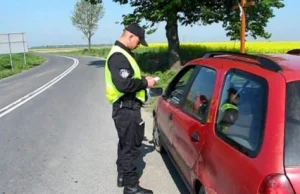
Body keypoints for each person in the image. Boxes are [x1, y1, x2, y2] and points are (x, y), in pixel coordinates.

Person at [104, 23, 157, 194]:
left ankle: (122, 176)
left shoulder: (123, 54)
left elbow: (128, 77)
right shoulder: (119, 56)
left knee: (125, 144)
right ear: (130, 36)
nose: (139, 45)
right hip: (126, 107)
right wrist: (145, 83)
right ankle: (131, 187)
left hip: (125, 106)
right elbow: (124, 84)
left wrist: (142, 79)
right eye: (139, 41)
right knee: (131, 147)